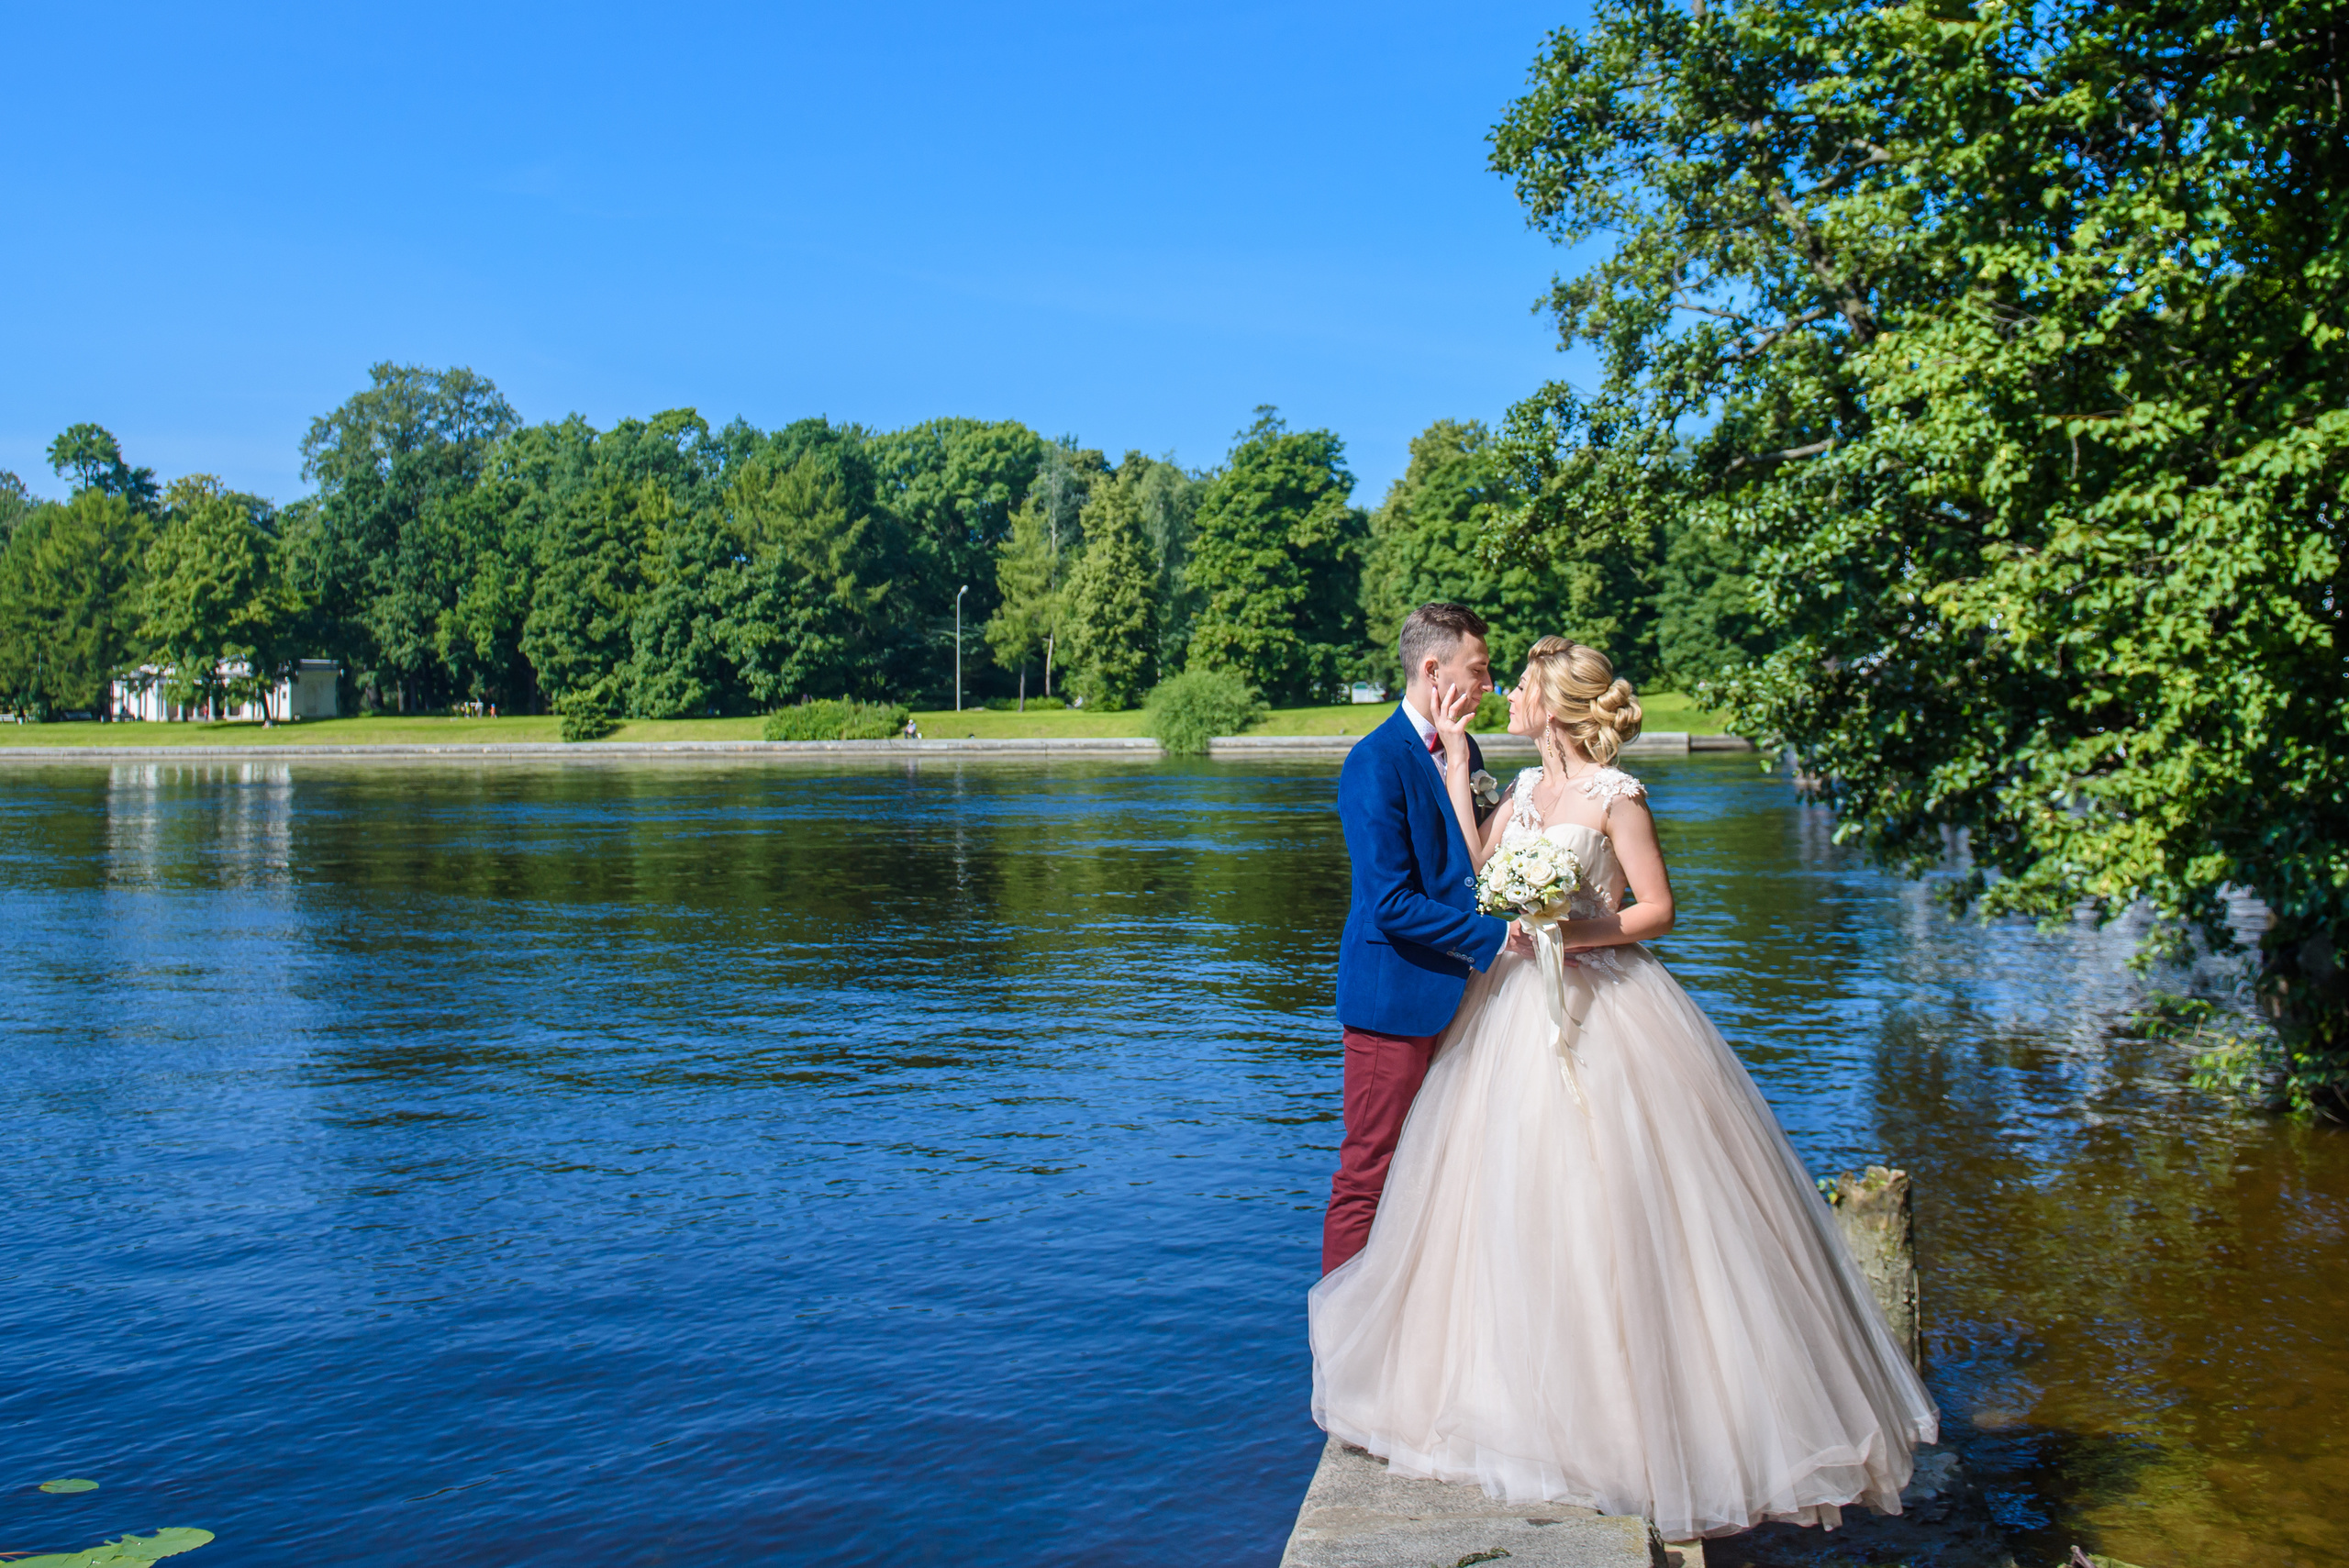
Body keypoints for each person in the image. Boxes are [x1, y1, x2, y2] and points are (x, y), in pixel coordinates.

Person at [1309, 635, 1939, 1542]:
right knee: (1507, 1199)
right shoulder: (1517, 788)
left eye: (1519, 685)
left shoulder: (1617, 796)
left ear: (1555, 707)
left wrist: (1575, 926)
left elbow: (1657, 909)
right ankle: (1515, 1392)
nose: (1505, 697)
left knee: (1615, 1193)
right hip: (1512, 1009)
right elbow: (1482, 878)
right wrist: (1469, 807)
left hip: (1604, 1002)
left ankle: (1647, 1412)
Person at [1326, 603, 1532, 1275]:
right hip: (1394, 1003)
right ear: (1433, 667)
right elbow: (1391, 904)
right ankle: (1340, 1348)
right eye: (1480, 670)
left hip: (1464, 1000)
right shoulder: (1375, 761)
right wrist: (1497, 935)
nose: (1489, 685)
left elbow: (1470, 867)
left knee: (1442, 1174)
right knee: (1369, 1173)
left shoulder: (1465, 752)